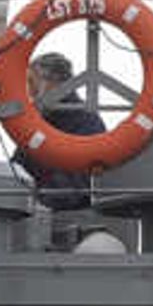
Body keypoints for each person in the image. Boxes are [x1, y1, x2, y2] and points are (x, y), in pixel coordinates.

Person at [21, 51, 104, 210]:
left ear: (54, 82)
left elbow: (81, 177)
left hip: (77, 215)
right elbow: (19, 166)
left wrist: (41, 201)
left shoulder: (86, 122)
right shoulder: (40, 123)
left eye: (32, 83)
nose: (29, 92)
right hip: (39, 210)